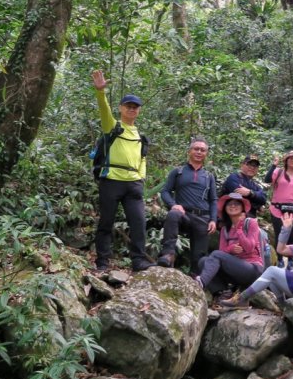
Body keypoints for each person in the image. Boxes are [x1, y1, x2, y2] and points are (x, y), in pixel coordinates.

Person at [90, 70, 153, 272]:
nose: (132, 110)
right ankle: (102, 262)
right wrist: (101, 92)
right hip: (111, 180)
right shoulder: (113, 126)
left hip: (133, 184)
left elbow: (142, 158)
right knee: (106, 222)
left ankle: (138, 261)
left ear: (139, 111)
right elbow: (103, 111)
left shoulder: (140, 135)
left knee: (138, 223)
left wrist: (141, 177)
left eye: (135, 107)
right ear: (121, 108)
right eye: (128, 106)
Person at [218, 210, 293, 309]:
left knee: (272, 271)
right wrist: (286, 229)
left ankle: (241, 299)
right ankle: (283, 306)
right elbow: (281, 250)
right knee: (272, 278)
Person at [156, 137, 217, 270]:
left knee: (199, 259)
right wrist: (173, 204)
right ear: (189, 151)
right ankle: (168, 254)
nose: (199, 152)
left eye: (202, 150)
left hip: (202, 218)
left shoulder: (208, 176)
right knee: (173, 214)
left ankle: (196, 278)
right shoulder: (178, 171)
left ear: (206, 153)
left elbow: (213, 200)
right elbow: (165, 191)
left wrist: (213, 219)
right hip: (184, 215)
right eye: (196, 149)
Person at [197, 193, 265, 295]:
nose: (233, 206)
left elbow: (250, 247)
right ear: (225, 209)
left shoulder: (250, 223)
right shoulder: (225, 229)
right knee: (203, 261)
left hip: (252, 269)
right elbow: (221, 252)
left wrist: (239, 229)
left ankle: (200, 284)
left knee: (215, 255)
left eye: (237, 204)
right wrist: (231, 249)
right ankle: (221, 292)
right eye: (229, 204)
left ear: (243, 208)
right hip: (234, 271)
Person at [264, 151, 293, 260]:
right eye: (290, 158)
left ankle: (291, 260)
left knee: (291, 235)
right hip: (277, 209)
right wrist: (274, 165)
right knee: (279, 234)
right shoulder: (278, 172)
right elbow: (267, 180)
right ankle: (280, 259)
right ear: (286, 161)